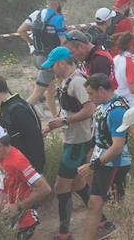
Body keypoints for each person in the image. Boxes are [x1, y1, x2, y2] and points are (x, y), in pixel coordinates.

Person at [42, 46, 95, 240]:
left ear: (62, 63)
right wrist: (52, 126)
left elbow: (90, 109)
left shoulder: (78, 82)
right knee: (78, 183)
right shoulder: (66, 81)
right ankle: (103, 221)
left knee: (61, 187)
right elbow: (68, 111)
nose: (50, 69)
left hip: (78, 143)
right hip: (74, 141)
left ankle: (64, 234)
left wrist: (64, 121)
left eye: (52, 65)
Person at [78, 73, 131, 240]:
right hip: (105, 163)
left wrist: (93, 165)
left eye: (91, 93)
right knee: (95, 204)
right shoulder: (104, 106)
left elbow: (118, 146)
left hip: (114, 165)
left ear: (101, 90)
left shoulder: (117, 111)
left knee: (116, 207)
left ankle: (132, 232)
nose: (89, 98)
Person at [0, 124, 51, 239]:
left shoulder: (17, 161)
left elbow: (44, 188)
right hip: (10, 221)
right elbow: (1, 186)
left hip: (24, 222)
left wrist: (18, 207)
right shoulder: (1, 158)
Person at [17, 0, 67, 117]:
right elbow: (63, 42)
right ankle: (18, 115)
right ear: (58, 3)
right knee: (38, 93)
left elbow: (21, 30)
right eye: (62, 2)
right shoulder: (58, 19)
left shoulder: (36, 14)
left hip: (37, 57)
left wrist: (31, 42)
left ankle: (55, 117)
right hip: (51, 60)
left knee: (50, 90)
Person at [0, 74, 46, 172]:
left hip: (24, 169)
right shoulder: (3, 108)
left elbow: (35, 141)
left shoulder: (18, 110)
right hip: (11, 168)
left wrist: (37, 171)